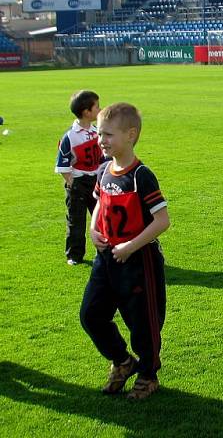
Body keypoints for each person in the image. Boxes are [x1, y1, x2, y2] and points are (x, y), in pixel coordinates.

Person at [79, 103, 170, 400]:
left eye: (108, 135)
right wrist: (93, 230)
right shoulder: (104, 169)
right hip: (106, 260)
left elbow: (162, 221)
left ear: (130, 135)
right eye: (99, 134)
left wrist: (131, 246)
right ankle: (122, 361)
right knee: (91, 315)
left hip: (137, 260)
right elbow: (98, 205)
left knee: (142, 323)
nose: (101, 140)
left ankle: (148, 374)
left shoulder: (141, 175)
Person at [55, 90, 103, 265]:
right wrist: (73, 183)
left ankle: (104, 251)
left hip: (96, 182)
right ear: (86, 112)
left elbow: (104, 157)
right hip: (78, 183)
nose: (100, 109)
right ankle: (74, 255)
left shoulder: (97, 131)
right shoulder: (70, 136)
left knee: (101, 219)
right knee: (76, 221)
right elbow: (62, 166)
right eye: (96, 106)